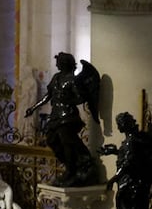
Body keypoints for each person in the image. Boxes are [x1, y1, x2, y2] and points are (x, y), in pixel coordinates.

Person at [24, 52, 101, 187]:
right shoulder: (56, 78)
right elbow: (47, 96)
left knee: (67, 140)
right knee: (52, 140)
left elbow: (81, 97)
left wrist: (68, 100)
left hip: (68, 116)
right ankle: (70, 164)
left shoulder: (73, 79)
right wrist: (33, 108)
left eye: (59, 61)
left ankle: (74, 168)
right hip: (56, 115)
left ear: (65, 63)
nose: (57, 64)